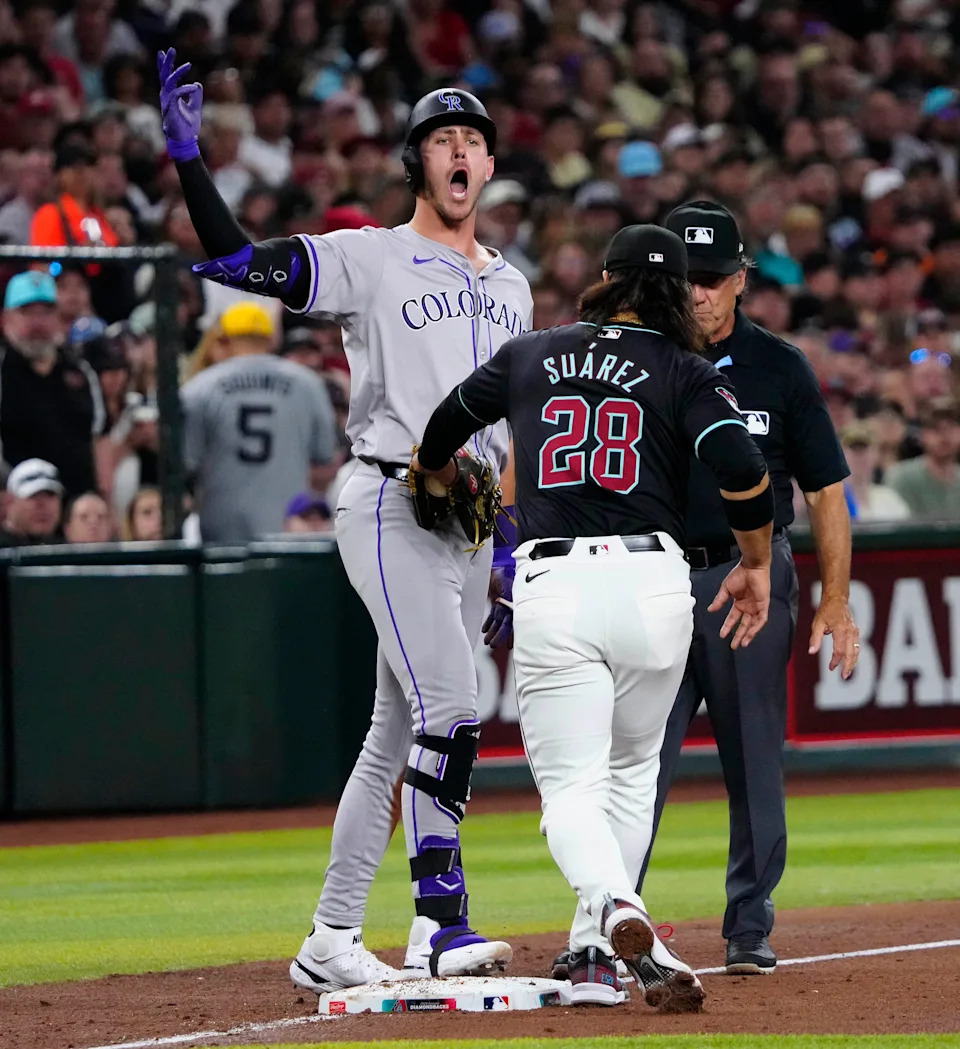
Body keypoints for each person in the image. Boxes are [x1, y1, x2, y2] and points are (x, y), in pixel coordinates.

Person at [158, 47, 532, 992]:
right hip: (387, 500)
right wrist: (190, 160)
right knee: (451, 708)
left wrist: (505, 552)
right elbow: (239, 261)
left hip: (467, 524)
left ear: (489, 167)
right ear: (419, 163)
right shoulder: (372, 255)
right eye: (441, 139)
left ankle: (329, 934)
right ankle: (439, 921)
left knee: (393, 727)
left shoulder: (515, 285)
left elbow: (507, 431)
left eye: (471, 141)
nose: (458, 153)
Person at [412, 224, 774, 1011]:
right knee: (632, 776)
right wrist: (755, 561)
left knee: (572, 786)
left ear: (604, 280)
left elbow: (441, 427)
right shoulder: (686, 368)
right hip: (655, 580)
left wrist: (437, 473)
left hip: (558, 579)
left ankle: (614, 907)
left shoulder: (533, 352)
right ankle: (589, 952)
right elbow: (743, 468)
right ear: (676, 293)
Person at [619, 201, 857, 977]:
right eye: (688, 279)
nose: (699, 295)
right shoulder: (638, 360)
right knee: (633, 761)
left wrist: (836, 597)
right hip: (651, 573)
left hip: (744, 575)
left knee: (754, 753)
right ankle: (611, 919)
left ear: (742, 279)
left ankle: (749, 923)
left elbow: (825, 490)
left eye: (715, 279)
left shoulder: (779, 366)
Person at [180, 301, 338, 542]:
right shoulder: (308, 383)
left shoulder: (200, 388)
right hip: (290, 529)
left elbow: (187, 460)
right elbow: (325, 455)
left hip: (222, 534)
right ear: (270, 340)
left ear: (225, 339)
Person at [0, 270, 107, 497]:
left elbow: (98, 442)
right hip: (17, 507)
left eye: (47, 312)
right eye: (27, 312)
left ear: (59, 318)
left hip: (78, 510)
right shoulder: (3, 372)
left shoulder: (81, 371)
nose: (38, 322)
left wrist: (101, 498)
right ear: (5, 320)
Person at [885, 397, 960, 519]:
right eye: (935, 428)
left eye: (951, 426)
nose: (944, 435)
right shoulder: (902, 477)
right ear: (922, 435)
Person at [0, 457, 63, 546]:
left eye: (50, 495)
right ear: (10, 502)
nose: (42, 504)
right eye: (33, 496)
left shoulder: (69, 552)